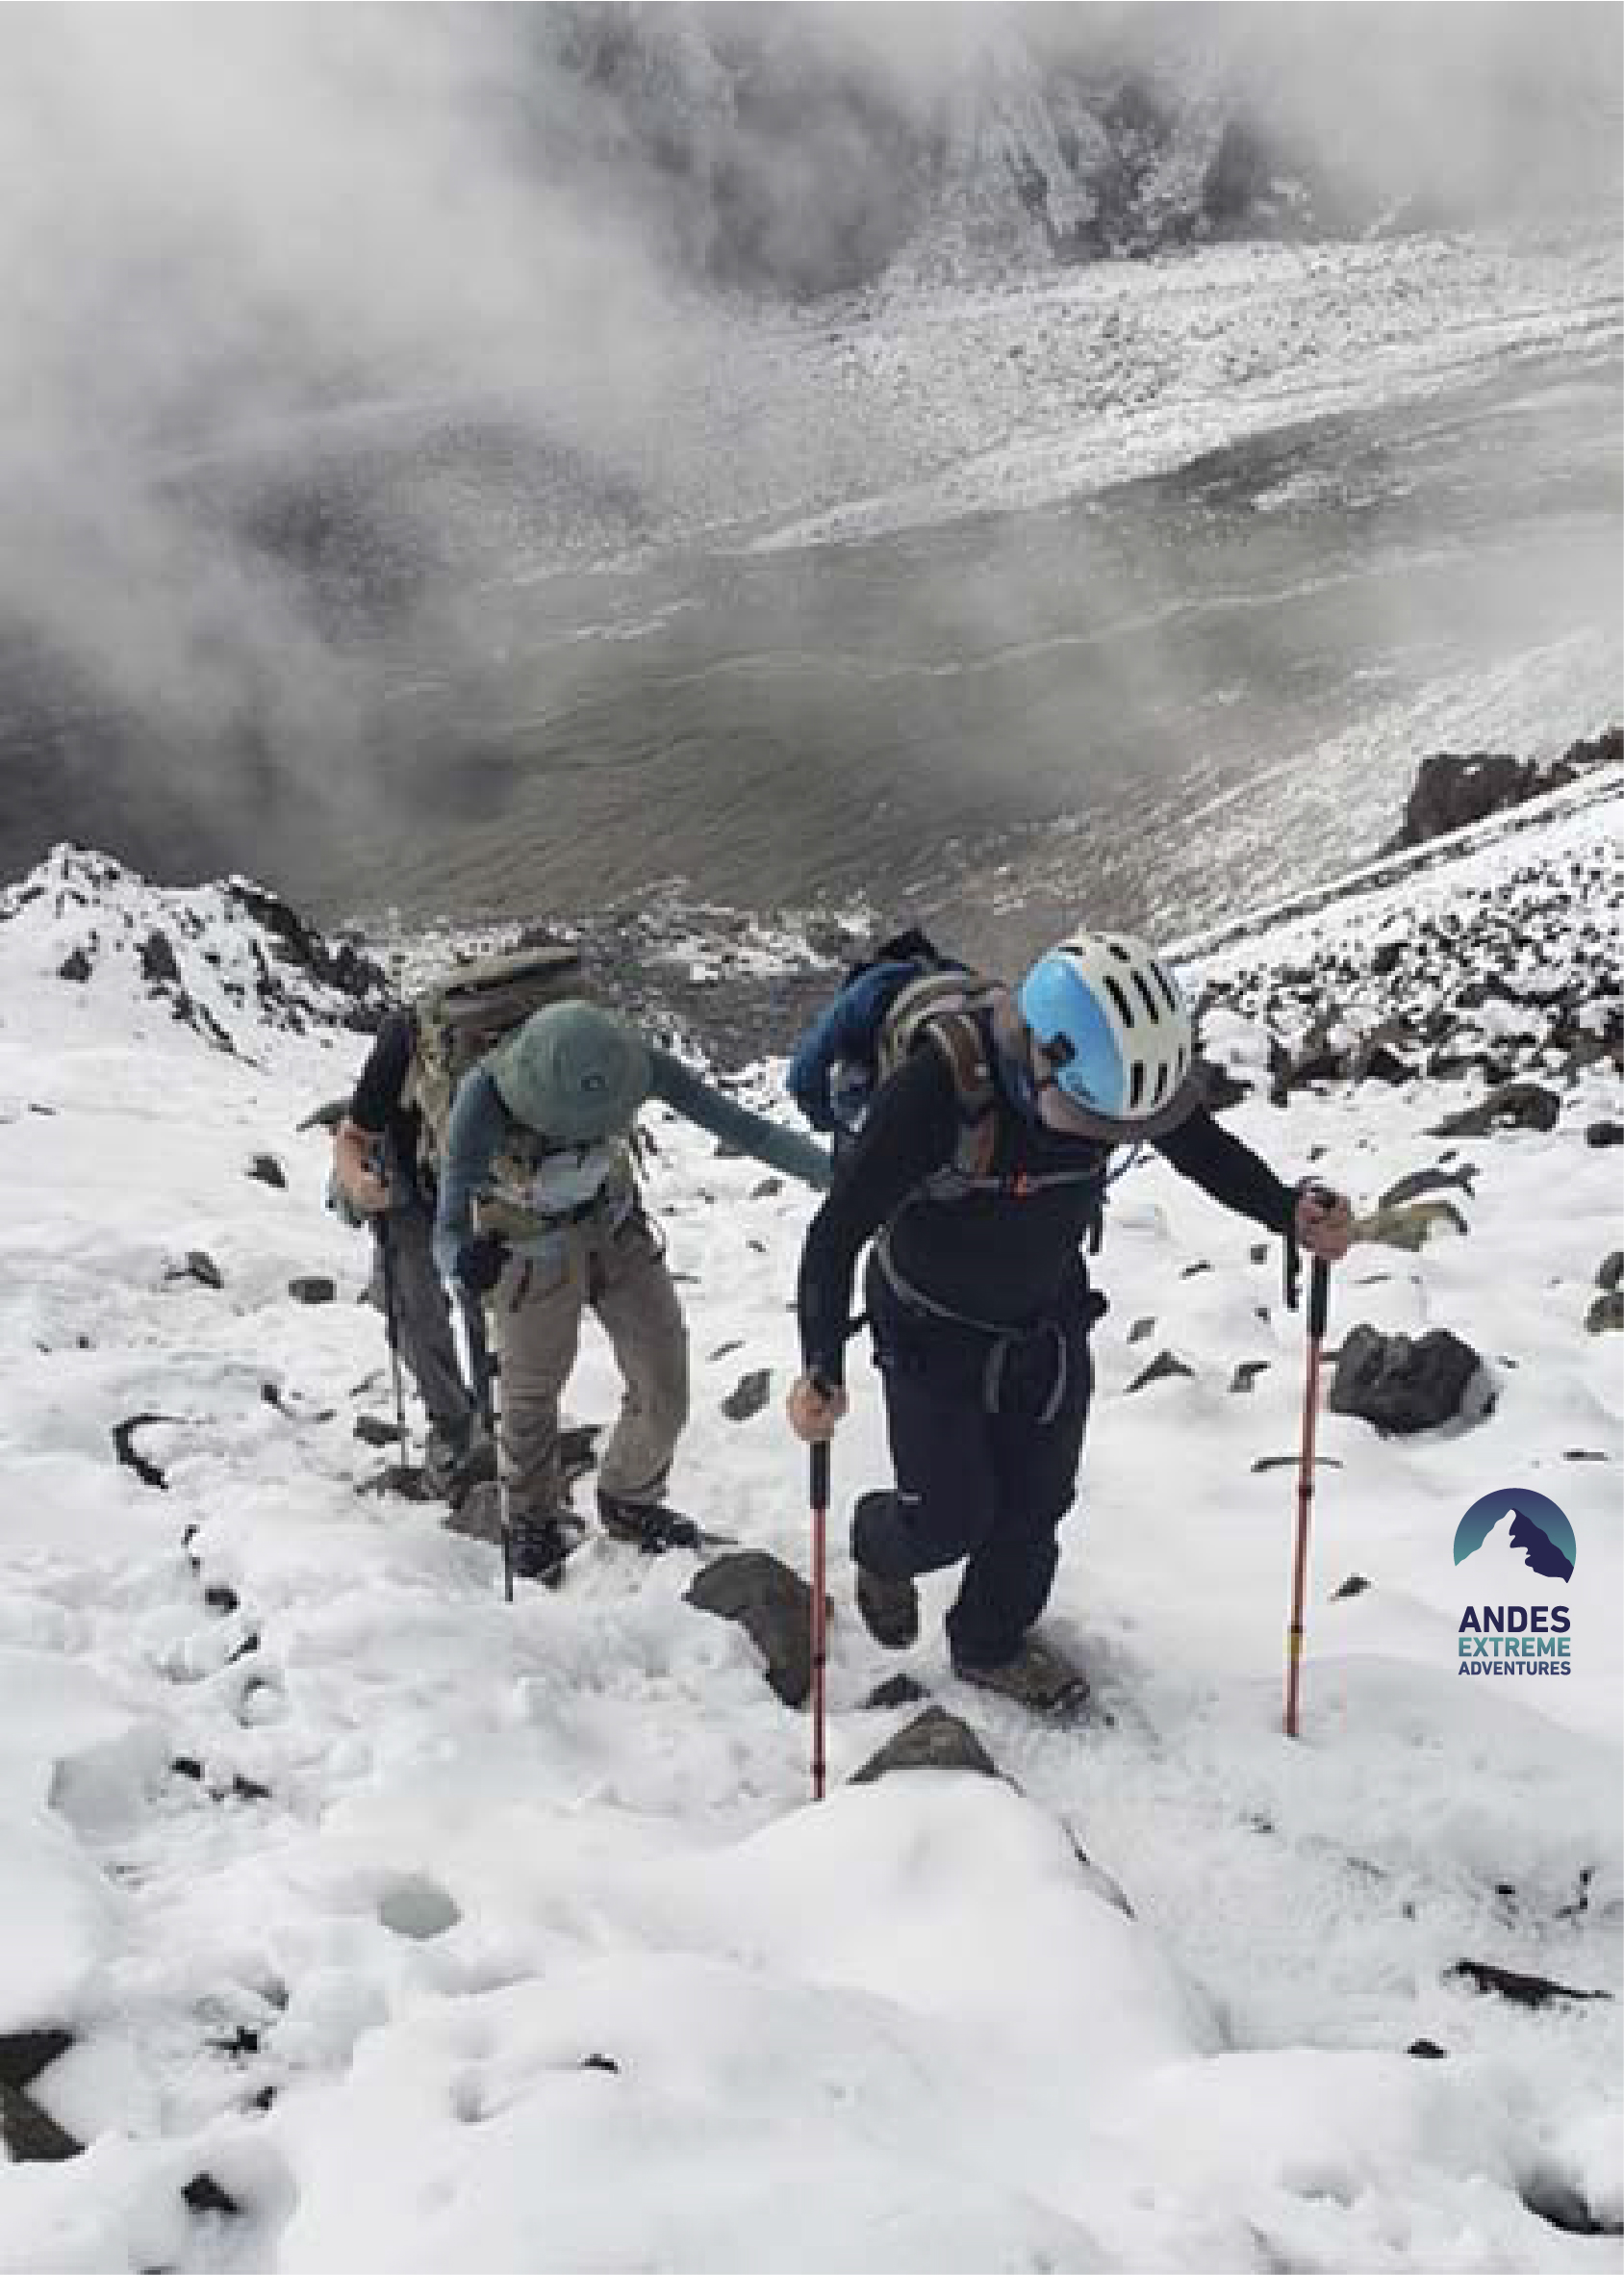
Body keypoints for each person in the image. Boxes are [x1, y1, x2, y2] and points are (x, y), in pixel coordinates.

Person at [785, 929, 1353, 1713]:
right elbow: (838, 1231)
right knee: (948, 1519)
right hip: (928, 1324)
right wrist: (821, 1365)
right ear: (1040, 1057)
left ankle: (988, 1643)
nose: (1106, 1141)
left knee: (1036, 1503)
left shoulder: (1122, 1080)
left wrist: (1286, 1210)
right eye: (1093, 1120)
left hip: (1045, 1313)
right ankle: (881, 1544)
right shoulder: (937, 1088)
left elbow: (1203, 1150)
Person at [435, 997, 830, 1583]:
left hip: (616, 1228)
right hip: (527, 1249)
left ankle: (629, 1498)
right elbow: (448, 1220)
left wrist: (848, 1182)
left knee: (663, 1378)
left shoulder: (632, 1064)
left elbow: (748, 1130)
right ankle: (530, 1518)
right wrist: (464, 1261)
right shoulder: (483, 1093)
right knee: (529, 1394)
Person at [331, 1008, 490, 1500]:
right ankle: (492, 1421)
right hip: (482, 1189)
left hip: (416, 1190)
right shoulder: (414, 1036)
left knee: (411, 1305)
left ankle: (458, 1425)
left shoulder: (410, 1032)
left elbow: (356, 1134)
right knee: (483, 1299)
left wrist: (361, 1183)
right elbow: (355, 1135)